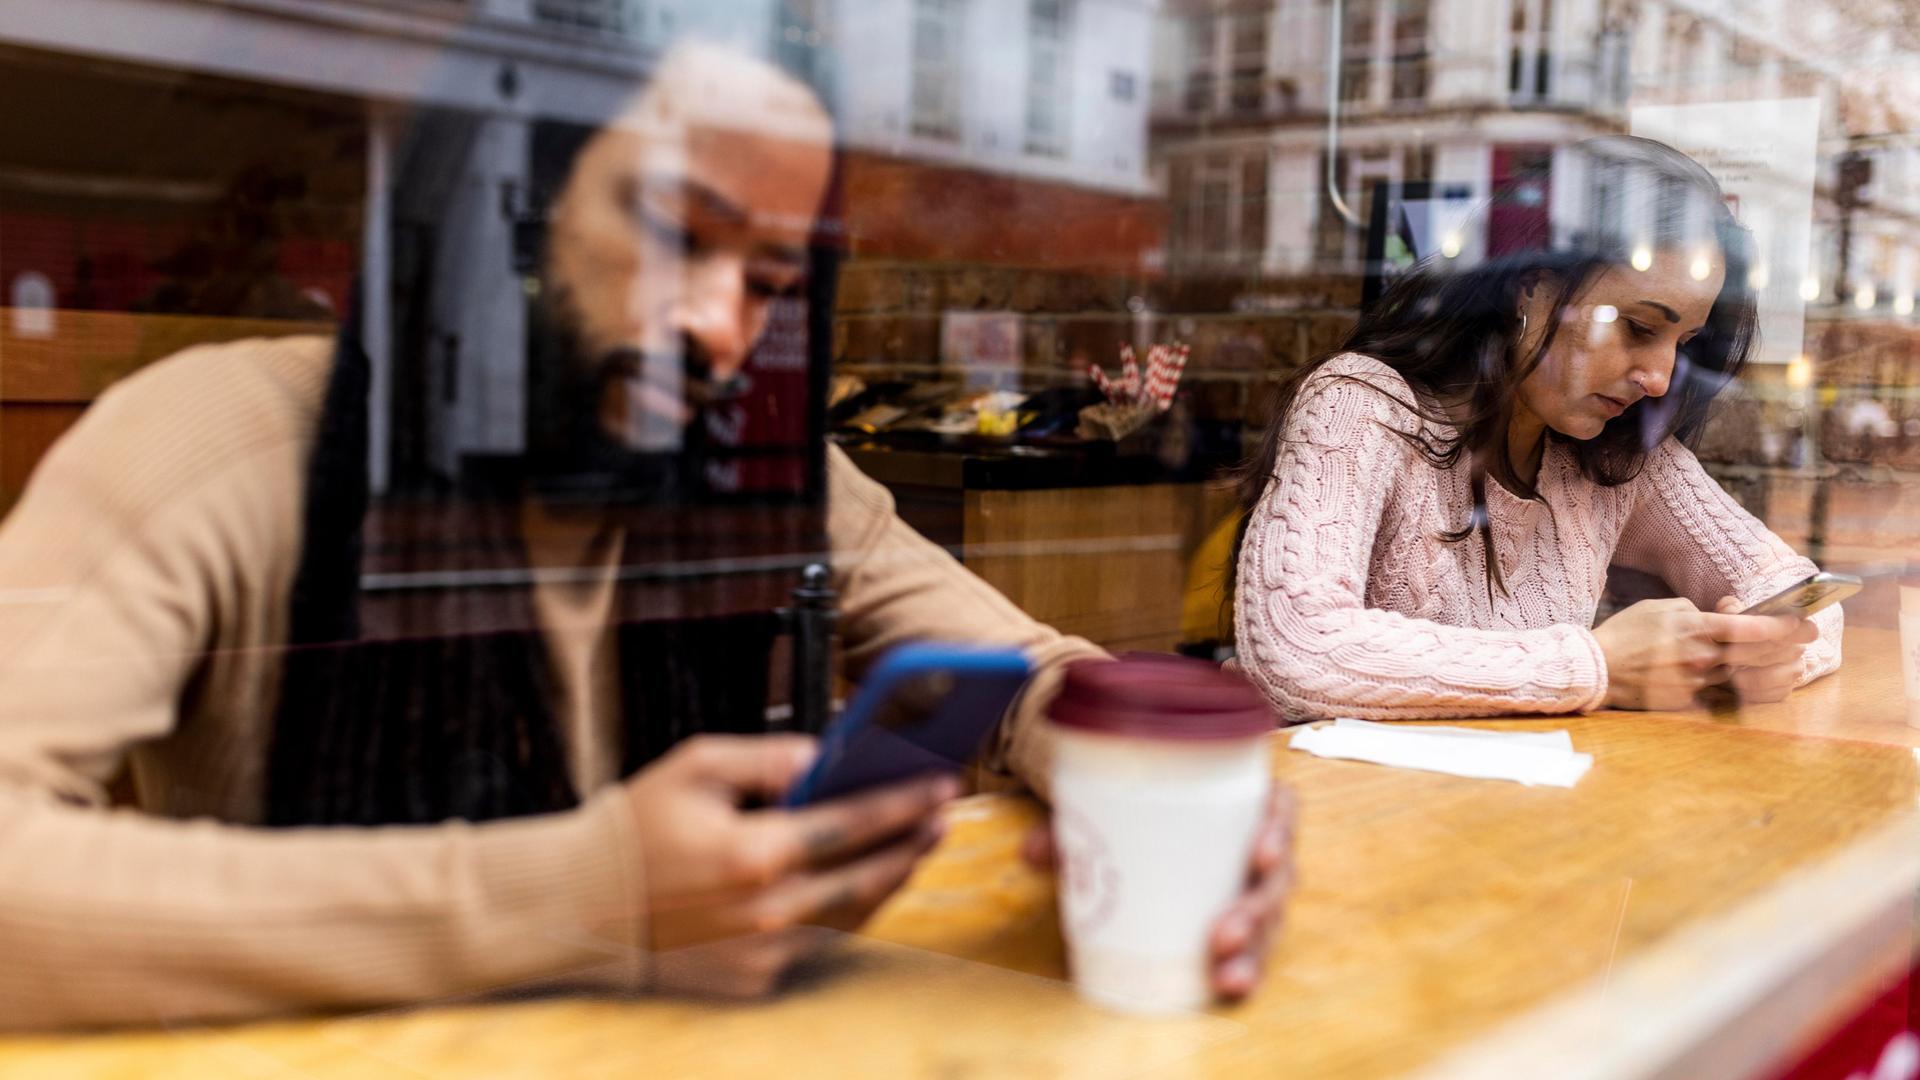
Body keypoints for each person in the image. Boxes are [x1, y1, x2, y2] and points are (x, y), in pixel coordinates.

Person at [0, 43, 1292, 1030]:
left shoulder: (764, 474)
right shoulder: (221, 441)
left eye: (770, 283)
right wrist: (589, 897)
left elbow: (1026, 677)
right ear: (496, 206)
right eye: (677, 231)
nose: (720, 329)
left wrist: (1166, 796)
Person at [1230, 136, 1838, 721]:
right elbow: (1296, 647)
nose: (1659, 378)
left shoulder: (1618, 459)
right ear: (1531, 287)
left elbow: (1805, 596)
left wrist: (1743, 658)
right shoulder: (1360, 405)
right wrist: (1597, 666)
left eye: (1684, 341)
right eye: (1639, 327)